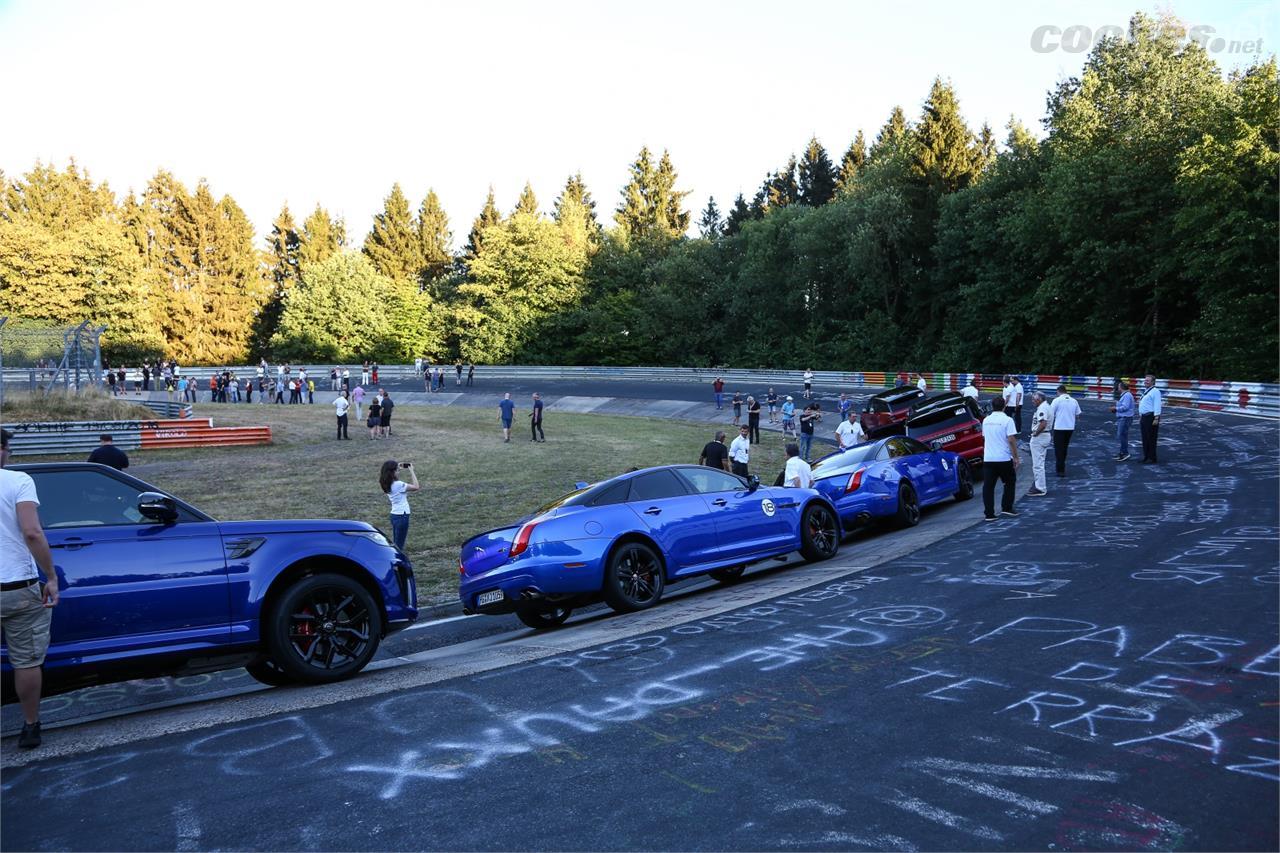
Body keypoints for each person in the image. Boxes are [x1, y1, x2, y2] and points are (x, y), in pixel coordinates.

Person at [1, 428, 59, 749]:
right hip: (17, 588)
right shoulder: (18, 481)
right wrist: (50, 576)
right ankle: (30, 725)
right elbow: (33, 533)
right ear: (3, 450)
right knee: (25, 661)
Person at [981, 397, 1019, 521]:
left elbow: (985, 437)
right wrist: (1015, 457)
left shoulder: (986, 420)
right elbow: (1011, 440)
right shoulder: (1007, 420)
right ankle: (1007, 507)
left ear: (992, 406)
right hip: (1003, 457)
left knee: (988, 486)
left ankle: (989, 513)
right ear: (1004, 406)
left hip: (989, 458)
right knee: (1009, 482)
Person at [379, 460, 419, 552]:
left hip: (394, 515)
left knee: (396, 543)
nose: (398, 472)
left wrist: (397, 467)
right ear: (392, 472)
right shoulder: (398, 485)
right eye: (397, 470)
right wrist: (411, 470)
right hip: (402, 516)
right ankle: (397, 563)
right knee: (399, 547)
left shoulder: (386, 483)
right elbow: (416, 486)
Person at [1049, 384, 1082, 477]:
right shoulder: (1074, 401)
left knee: (1058, 449)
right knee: (1064, 447)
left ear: (1058, 391)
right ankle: (1062, 464)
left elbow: (1050, 413)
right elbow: (1078, 414)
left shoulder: (1057, 400)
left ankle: (1060, 469)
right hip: (1070, 427)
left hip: (1059, 427)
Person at [1027, 391, 1051, 496]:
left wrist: (1036, 433)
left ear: (1039, 399)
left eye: (1034, 399)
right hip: (1044, 436)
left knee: (1037, 464)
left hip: (1040, 436)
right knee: (1039, 462)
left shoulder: (1042, 408)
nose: (1033, 401)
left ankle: (1040, 487)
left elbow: (1043, 423)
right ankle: (1039, 485)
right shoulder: (1047, 406)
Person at [1138, 374, 1162, 463]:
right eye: (1145, 380)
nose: (1145, 382)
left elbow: (1157, 405)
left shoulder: (1155, 391)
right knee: (1145, 438)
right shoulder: (1146, 391)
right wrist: (1141, 415)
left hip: (1151, 417)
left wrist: (1156, 417)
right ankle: (1146, 456)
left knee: (1151, 438)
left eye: (1148, 380)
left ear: (1153, 382)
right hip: (1144, 417)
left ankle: (1152, 457)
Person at [1112, 380, 1135, 461]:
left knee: (1122, 435)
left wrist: (1115, 408)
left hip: (1125, 418)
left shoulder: (1127, 395)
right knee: (1122, 436)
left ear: (1121, 387)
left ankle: (1125, 453)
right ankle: (1122, 452)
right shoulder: (1125, 395)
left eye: (1118, 386)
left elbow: (1125, 407)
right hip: (1124, 418)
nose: (1117, 387)